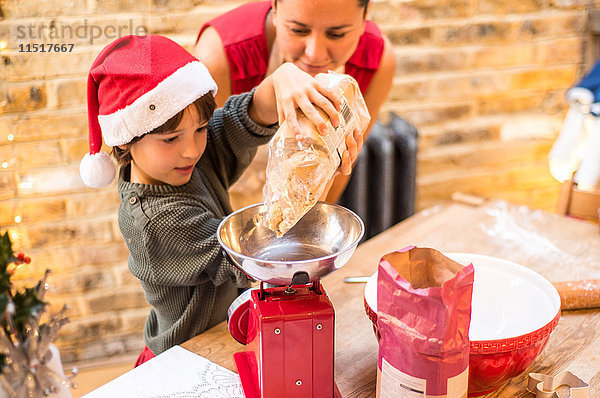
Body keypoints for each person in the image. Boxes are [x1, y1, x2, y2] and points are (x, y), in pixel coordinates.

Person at [78, 35, 363, 365]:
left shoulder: (184, 158)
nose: (192, 149)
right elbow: (251, 257)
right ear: (126, 142)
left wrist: (283, 80)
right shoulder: (153, 221)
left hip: (227, 336)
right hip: (187, 356)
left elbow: (249, 115)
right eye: (170, 139)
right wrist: (320, 177)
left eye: (199, 129)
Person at [193, 0, 396, 204]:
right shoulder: (220, 57)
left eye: (336, 34)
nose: (314, 54)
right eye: (298, 30)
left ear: (366, 14)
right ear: (275, 6)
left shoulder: (377, 60)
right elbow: (203, 172)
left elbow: (342, 168)